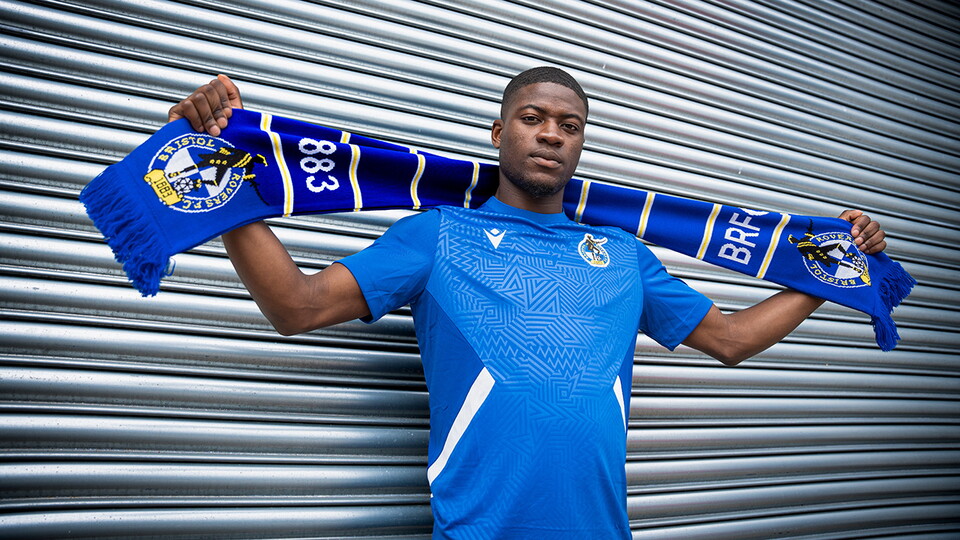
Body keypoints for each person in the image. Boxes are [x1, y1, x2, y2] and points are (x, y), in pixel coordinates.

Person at [168, 68, 886, 538]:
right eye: (533, 117)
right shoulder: (438, 236)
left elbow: (730, 339)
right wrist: (217, 179)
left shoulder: (624, 254)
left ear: (579, 145)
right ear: (499, 131)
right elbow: (294, 306)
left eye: (569, 125)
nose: (551, 133)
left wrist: (832, 274)